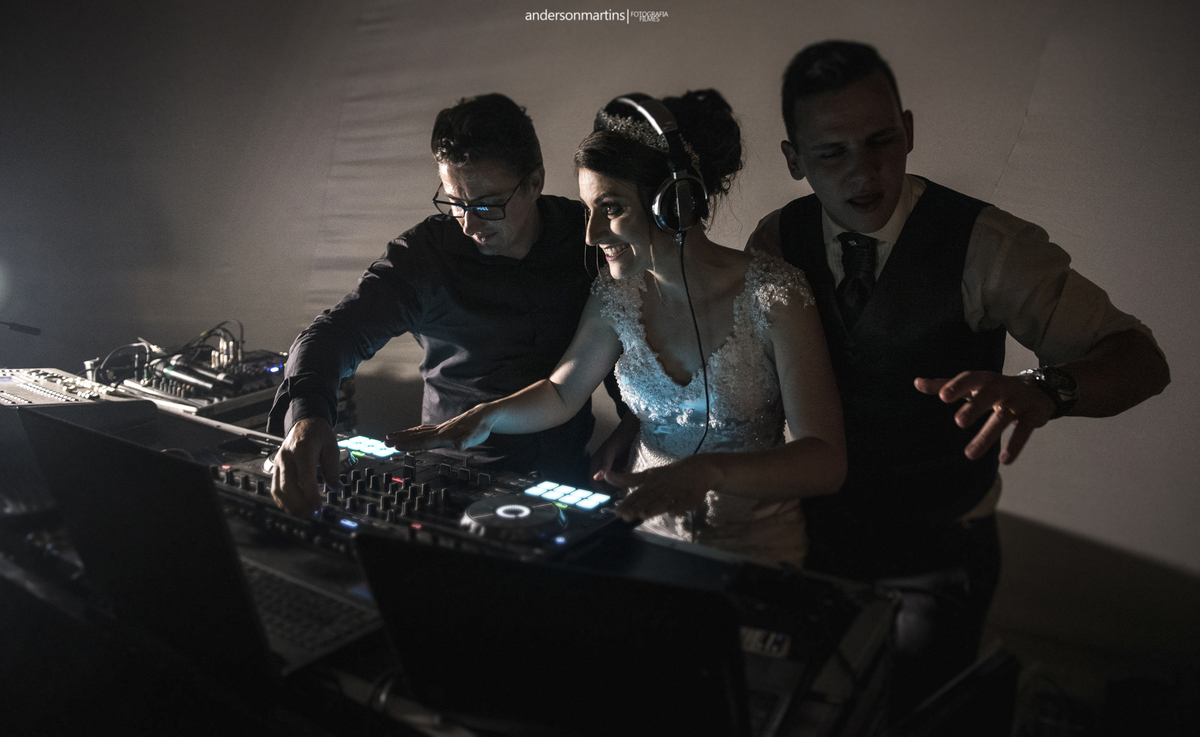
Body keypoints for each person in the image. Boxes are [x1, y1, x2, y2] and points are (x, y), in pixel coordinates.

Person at [748, 40, 1171, 716]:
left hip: (939, 551)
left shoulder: (988, 245)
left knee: (921, 714)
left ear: (909, 130)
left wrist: (1046, 390)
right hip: (812, 537)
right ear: (794, 160)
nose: (865, 170)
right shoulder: (776, 241)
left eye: (882, 140)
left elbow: (1142, 360)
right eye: (831, 153)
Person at [387, 90, 846, 567]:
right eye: (588, 211)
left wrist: (710, 472)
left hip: (756, 554)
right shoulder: (615, 295)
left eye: (610, 209)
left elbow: (825, 460)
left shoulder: (776, 294)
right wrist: (484, 416)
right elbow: (561, 393)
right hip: (645, 540)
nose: (591, 234)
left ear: (676, 203)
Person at [268, 93, 618, 516]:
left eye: (486, 204)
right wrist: (308, 416)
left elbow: (630, 336)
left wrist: (632, 426)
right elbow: (330, 335)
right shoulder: (424, 257)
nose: (469, 224)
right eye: (454, 202)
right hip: (451, 482)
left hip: (569, 478)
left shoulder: (587, 236)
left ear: (534, 183)